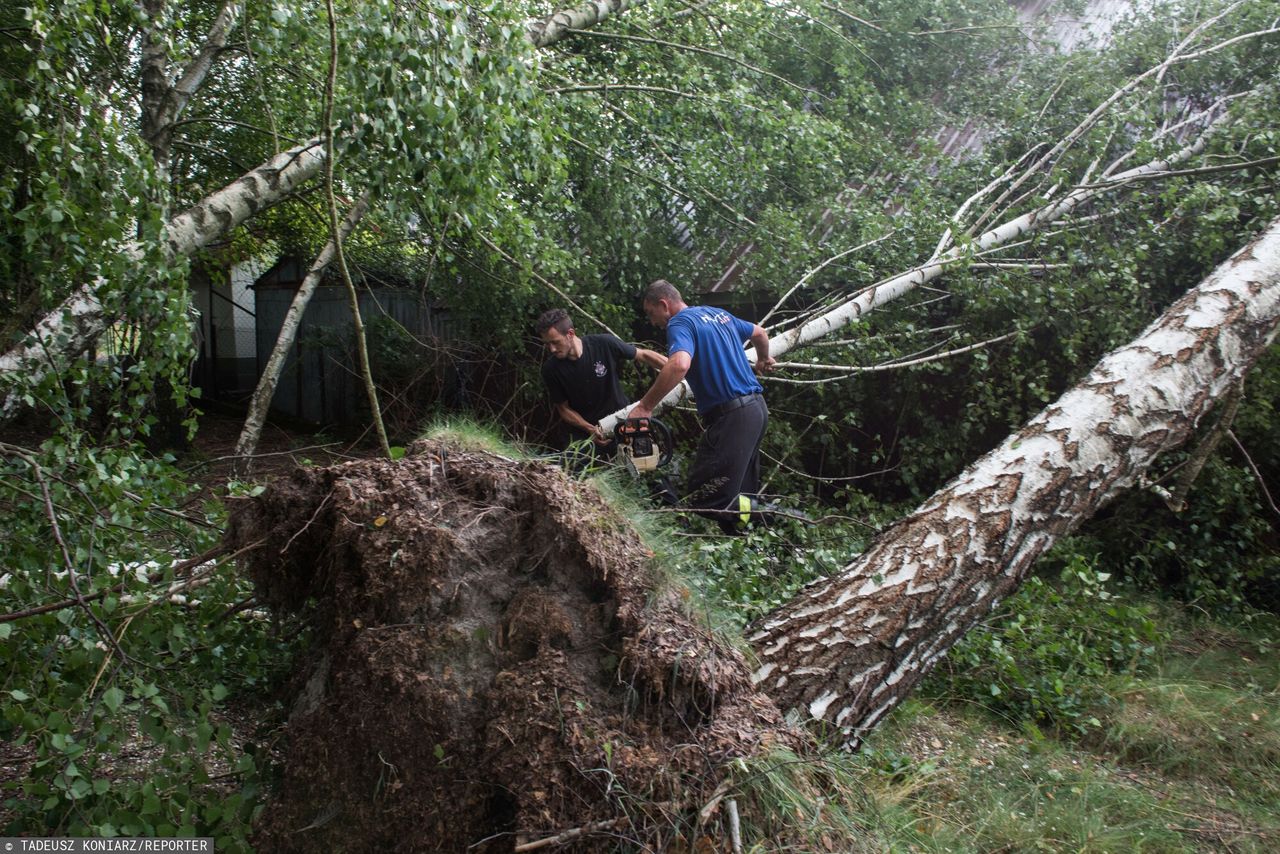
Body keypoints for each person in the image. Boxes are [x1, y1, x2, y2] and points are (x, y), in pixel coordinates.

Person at [628, 279, 775, 531]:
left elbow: (679, 365)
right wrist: (764, 358)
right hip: (756, 411)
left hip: (734, 416)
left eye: (652, 314)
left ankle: (776, 517)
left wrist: (645, 407)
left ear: (664, 304)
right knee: (739, 494)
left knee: (706, 494)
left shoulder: (680, 322)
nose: (653, 322)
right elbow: (760, 332)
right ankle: (749, 543)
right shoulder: (718, 314)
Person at [536, 308, 667, 457]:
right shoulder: (551, 370)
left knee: (641, 468)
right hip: (586, 433)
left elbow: (643, 355)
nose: (551, 349)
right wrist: (590, 429)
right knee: (574, 471)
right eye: (547, 344)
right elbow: (564, 409)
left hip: (622, 422)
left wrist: (674, 368)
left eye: (555, 342)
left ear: (570, 334)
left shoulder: (603, 344)